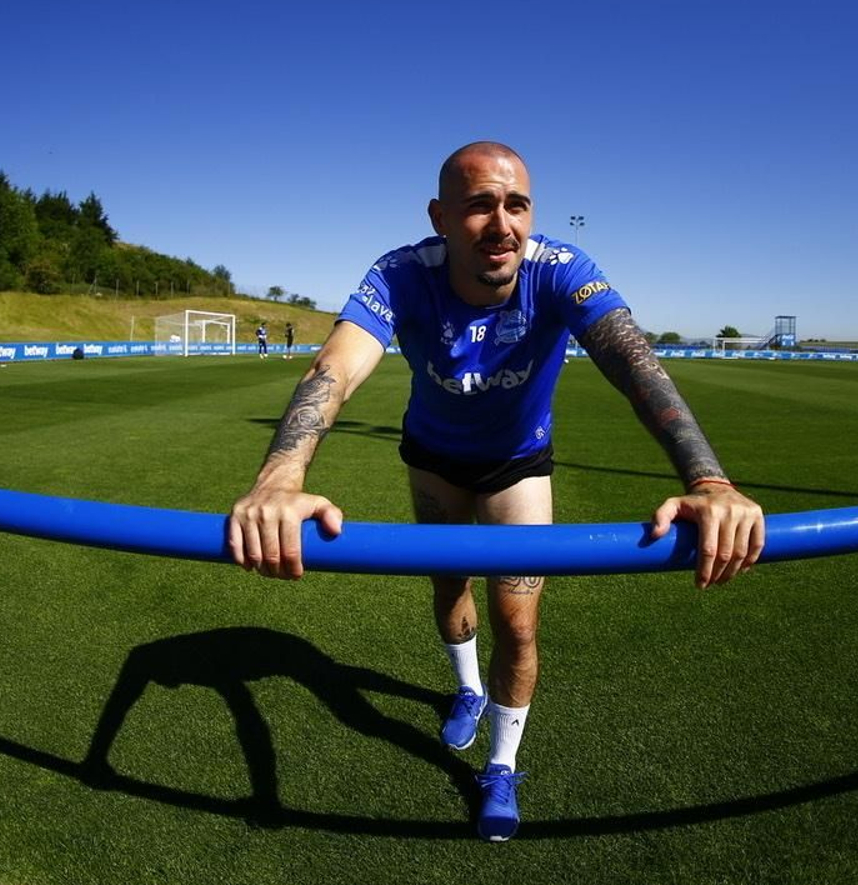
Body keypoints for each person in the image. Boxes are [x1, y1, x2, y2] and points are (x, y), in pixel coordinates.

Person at [229, 141, 764, 842]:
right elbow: (335, 369)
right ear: (441, 217)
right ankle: (468, 689)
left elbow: (636, 362)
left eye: (516, 206)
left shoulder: (561, 269)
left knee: (518, 622)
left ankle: (502, 764)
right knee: (449, 590)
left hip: (519, 464)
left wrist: (709, 480)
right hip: (434, 459)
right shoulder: (400, 273)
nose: (502, 224)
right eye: (480, 205)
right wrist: (279, 478)